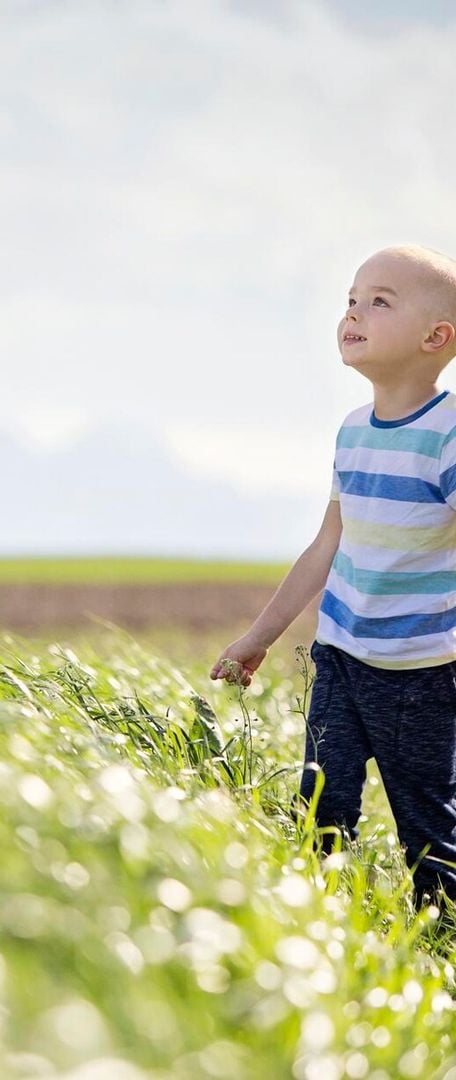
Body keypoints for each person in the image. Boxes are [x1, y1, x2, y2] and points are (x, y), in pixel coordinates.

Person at [209, 243, 456, 913]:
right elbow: (327, 545)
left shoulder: (447, 433)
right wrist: (259, 636)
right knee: (321, 807)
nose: (354, 313)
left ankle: (437, 947)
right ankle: (320, 925)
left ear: (437, 338)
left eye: (380, 302)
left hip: (421, 673)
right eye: (351, 299)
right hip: (341, 656)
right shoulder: (353, 434)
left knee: (431, 837)